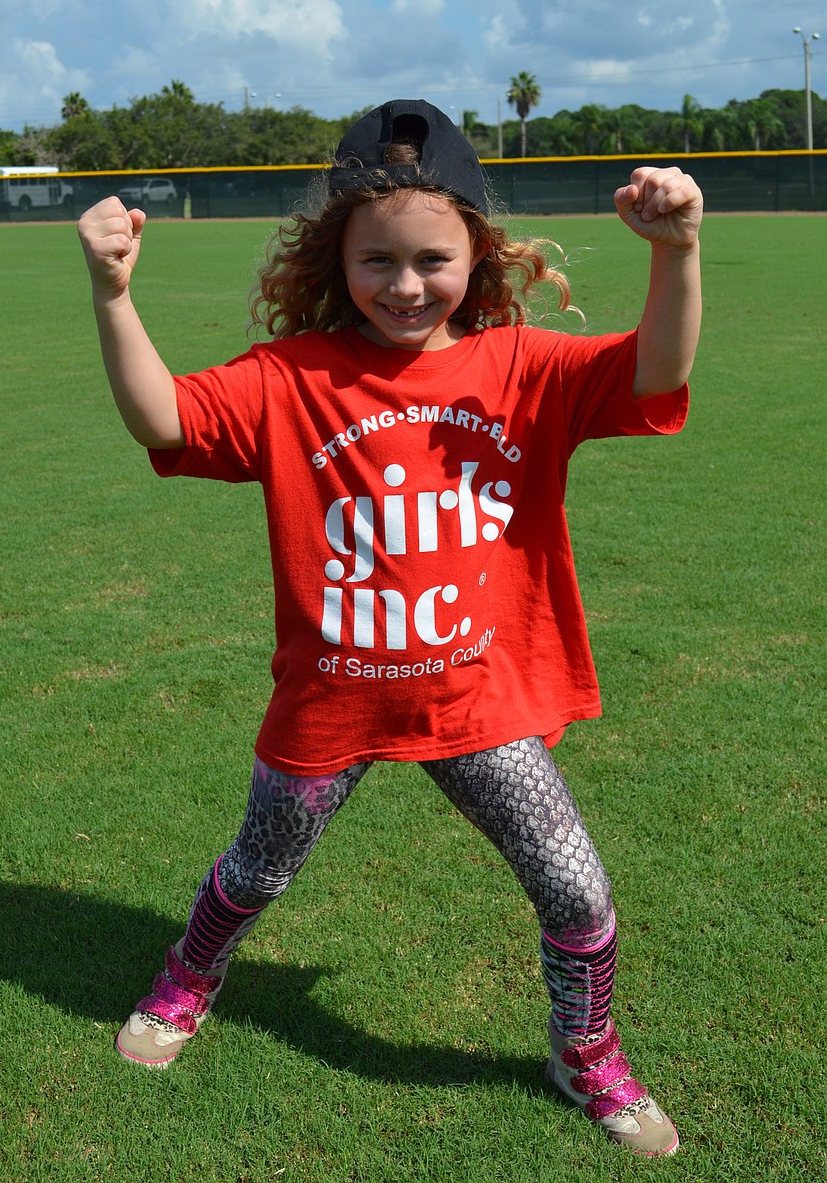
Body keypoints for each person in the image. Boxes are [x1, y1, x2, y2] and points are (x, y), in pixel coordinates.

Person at [78, 99, 702, 1157]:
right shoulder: (290, 379)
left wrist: (677, 252)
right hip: (332, 700)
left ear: (476, 255)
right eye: (377, 261)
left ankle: (584, 1051)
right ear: (339, 257)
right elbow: (165, 420)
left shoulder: (520, 370)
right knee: (258, 870)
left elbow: (655, 373)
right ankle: (187, 977)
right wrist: (112, 292)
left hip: (478, 701)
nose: (404, 286)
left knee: (577, 892)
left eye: (431, 260)